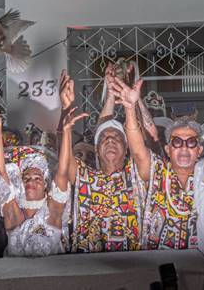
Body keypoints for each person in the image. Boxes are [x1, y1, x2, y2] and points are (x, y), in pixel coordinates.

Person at [109, 75, 204, 289]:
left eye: (191, 142)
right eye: (177, 142)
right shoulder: (158, 172)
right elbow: (138, 151)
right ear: (168, 149)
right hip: (162, 272)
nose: (183, 147)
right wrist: (129, 108)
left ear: (199, 150)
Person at [60, 70, 146, 253]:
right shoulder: (86, 180)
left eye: (116, 137)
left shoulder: (136, 178)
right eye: (104, 139)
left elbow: (140, 150)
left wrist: (126, 104)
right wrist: (65, 110)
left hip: (134, 263)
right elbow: (65, 160)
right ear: (96, 151)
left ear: (127, 148)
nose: (110, 140)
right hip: (90, 266)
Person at [0, 102, 82, 257]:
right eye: (26, 178)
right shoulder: (13, 213)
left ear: (46, 185)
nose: (31, 181)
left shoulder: (53, 211)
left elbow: (62, 171)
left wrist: (67, 131)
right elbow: (1, 171)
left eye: (37, 178)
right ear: (20, 183)